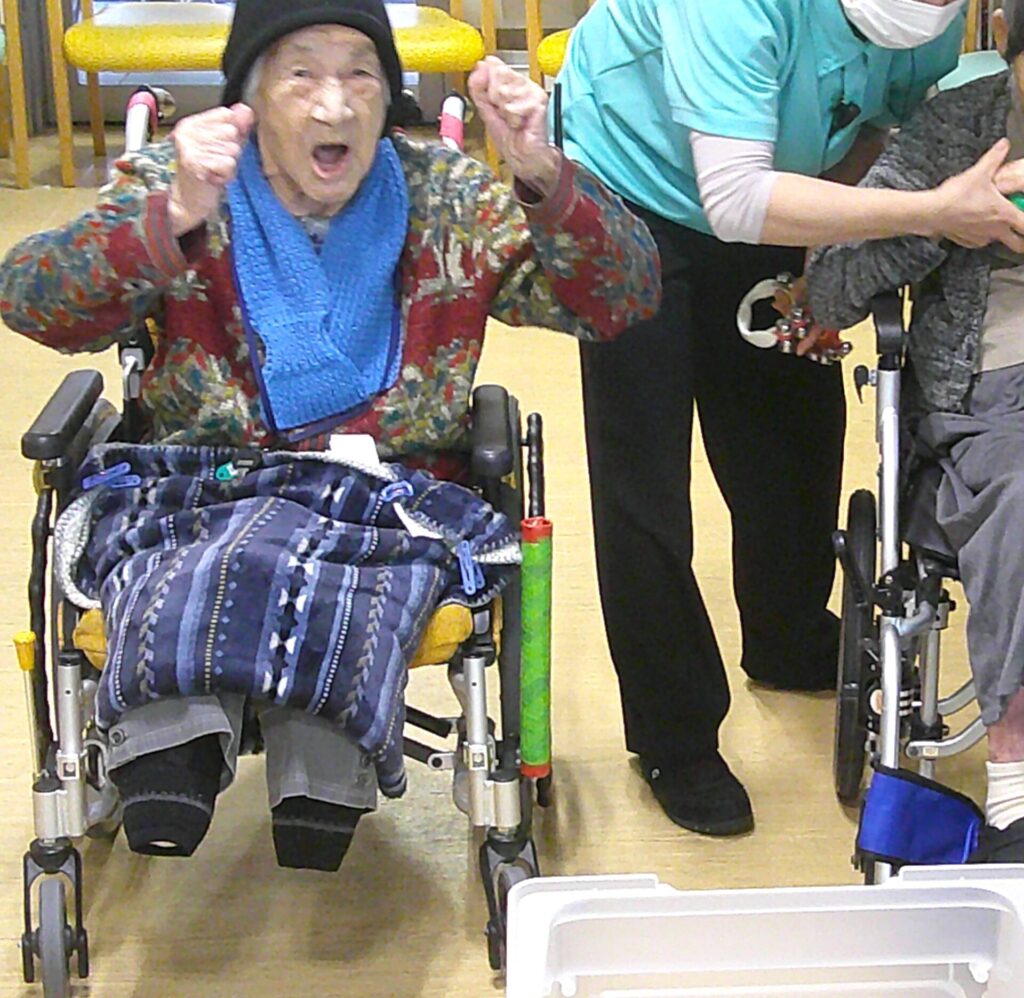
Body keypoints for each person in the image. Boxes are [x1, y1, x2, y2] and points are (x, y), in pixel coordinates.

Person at [0, 0, 659, 871]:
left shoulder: (447, 196)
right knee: (212, 549)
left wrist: (542, 170)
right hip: (200, 488)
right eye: (301, 73)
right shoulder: (183, 179)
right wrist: (171, 217)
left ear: (390, 95)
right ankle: (174, 754)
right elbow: (32, 299)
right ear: (249, 96)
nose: (335, 103)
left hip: (387, 501)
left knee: (336, 562)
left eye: (360, 73)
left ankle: (317, 772)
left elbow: (622, 299)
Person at [553, 0, 1024, 838]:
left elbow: (882, 133)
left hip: (778, 173)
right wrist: (926, 212)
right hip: (634, 176)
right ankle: (675, 739)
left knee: (791, 434)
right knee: (645, 472)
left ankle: (789, 635)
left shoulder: (930, 20)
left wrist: (828, 249)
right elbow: (736, 201)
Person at [808, 0, 1024, 863]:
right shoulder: (962, 125)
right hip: (995, 394)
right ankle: (1016, 775)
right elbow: (831, 283)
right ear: (1005, 44)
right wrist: (944, 214)